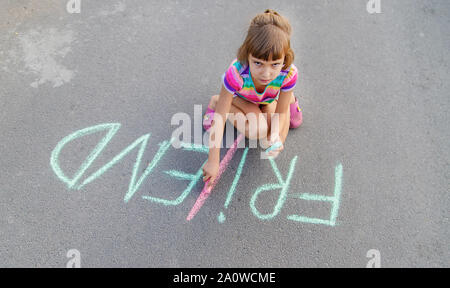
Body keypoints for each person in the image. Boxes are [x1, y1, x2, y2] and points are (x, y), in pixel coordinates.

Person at [202, 9, 303, 188]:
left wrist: (277, 138)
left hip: (269, 99)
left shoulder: (289, 73)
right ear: (247, 54)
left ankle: (291, 99)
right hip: (243, 98)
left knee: (276, 131)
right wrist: (213, 161)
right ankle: (216, 101)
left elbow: (281, 111)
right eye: (258, 63)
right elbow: (219, 119)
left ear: (284, 59)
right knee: (257, 130)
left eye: (275, 65)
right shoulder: (236, 73)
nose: (266, 73)